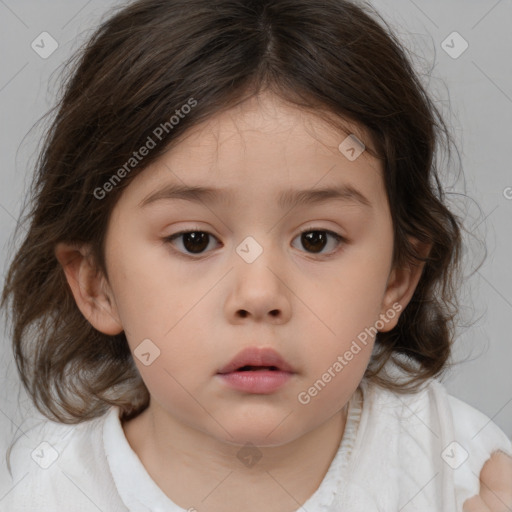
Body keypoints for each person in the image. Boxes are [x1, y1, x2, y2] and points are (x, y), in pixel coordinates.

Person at [1, 0, 511, 510]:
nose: (260, 295)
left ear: (397, 280)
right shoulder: (44, 493)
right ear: (97, 284)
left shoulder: (461, 470)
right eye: (194, 240)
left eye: (317, 239)